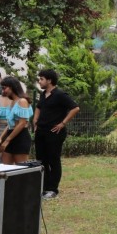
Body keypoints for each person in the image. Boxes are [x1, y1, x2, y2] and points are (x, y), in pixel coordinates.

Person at [33, 69, 80, 200]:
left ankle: (53, 189)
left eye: (41, 79)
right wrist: (35, 120)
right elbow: (38, 107)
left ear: (49, 80)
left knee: (53, 160)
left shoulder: (60, 94)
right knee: (42, 160)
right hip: (41, 131)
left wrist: (63, 123)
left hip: (54, 132)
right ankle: (44, 187)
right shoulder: (43, 94)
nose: (39, 81)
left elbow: (75, 108)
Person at [0, 76, 33, 164]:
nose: (3, 91)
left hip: (20, 137)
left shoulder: (22, 101)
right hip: (11, 135)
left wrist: (7, 140)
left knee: (21, 169)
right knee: (4, 168)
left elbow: (22, 123)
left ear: (11, 87)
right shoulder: (12, 101)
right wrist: (1, 138)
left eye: (4, 88)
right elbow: (10, 124)